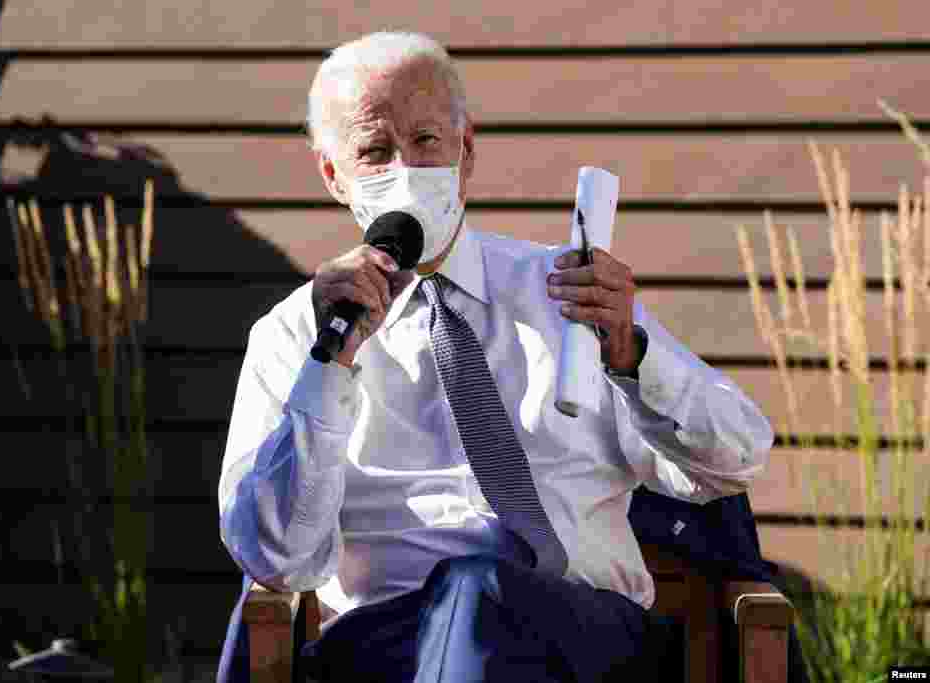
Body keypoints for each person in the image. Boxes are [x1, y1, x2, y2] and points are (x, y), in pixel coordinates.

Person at [218, 31, 773, 682]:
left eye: (425, 141)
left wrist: (633, 356)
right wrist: (328, 364)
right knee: (467, 596)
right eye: (375, 150)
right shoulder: (293, 336)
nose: (406, 168)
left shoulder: (570, 294)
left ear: (466, 148)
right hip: (391, 639)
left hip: (581, 633)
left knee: (480, 589)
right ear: (334, 176)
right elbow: (276, 558)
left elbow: (738, 456)